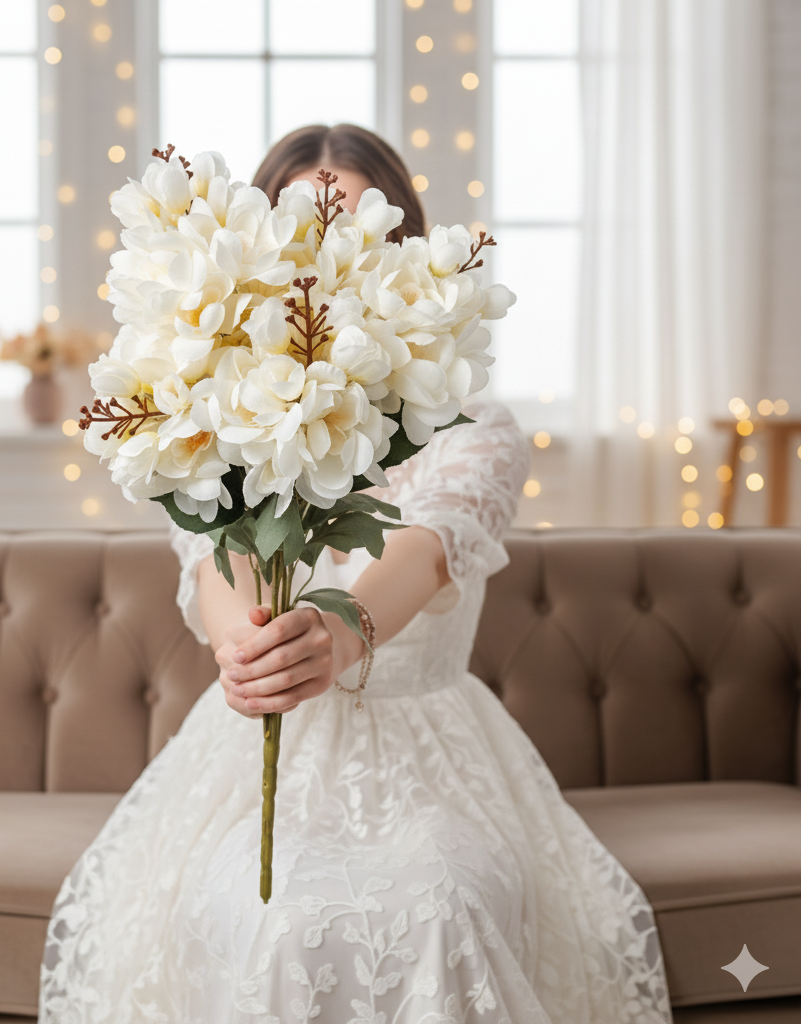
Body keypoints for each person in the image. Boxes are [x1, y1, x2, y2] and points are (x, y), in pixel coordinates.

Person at [39, 124, 674, 1024]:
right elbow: (220, 564)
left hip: (432, 755)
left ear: (401, 249)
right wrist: (248, 654)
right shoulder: (217, 412)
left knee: (441, 905)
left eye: (352, 226)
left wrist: (335, 636)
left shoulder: (476, 426)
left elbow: (425, 551)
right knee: (265, 915)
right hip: (250, 756)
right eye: (302, 224)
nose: (326, 250)